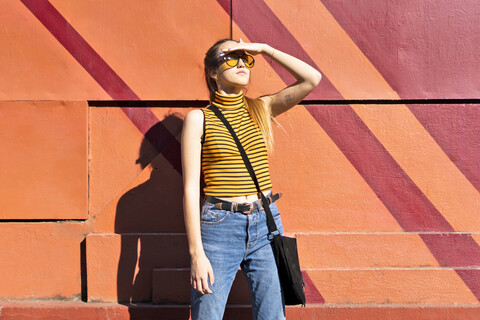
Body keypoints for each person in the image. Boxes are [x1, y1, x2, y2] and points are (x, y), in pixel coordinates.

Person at [181, 38, 321, 320]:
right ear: (212, 71)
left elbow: (311, 79)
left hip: (266, 225)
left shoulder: (261, 108)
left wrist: (266, 50)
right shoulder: (199, 119)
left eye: (246, 58)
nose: (242, 63)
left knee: (273, 316)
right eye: (231, 58)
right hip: (220, 227)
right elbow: (189, 189)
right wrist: (197, 255)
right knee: (207, 315)